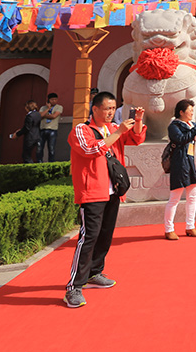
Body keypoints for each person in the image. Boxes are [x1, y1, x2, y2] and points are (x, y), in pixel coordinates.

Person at [65, 91, 146, 308]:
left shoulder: (112, 129)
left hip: (113, 191)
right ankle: (74, 286)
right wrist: (119, 131)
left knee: (105, 235)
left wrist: (137, 122)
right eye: (107, 108)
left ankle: (95, 273)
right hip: (92, 191)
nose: (111, 112)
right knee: (88, 237)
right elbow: (91, 150)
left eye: (113, 108)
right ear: (95, 109)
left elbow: (136, 139)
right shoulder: (81, 130)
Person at [164, 99, 196, 241]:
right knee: (175, 197)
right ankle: (169, 228)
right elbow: (182, 139)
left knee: (192, 196)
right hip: (181, 163)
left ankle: (190, 226)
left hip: (194, 162)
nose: (191, 113)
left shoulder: (193, 124)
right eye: (189, 110)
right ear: (181, 112)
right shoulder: (174, 126)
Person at [39, 93, 62, 162]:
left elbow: (54, 116)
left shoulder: (59, 107)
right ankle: (39, 162)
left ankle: (51, 163)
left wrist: (44, 115)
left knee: (51, 148)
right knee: (39, 148)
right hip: (42, 129)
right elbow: (40, 115)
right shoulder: (43, 108)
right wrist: (48, 109)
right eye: (52, 99)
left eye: (55, 99)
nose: (54, 101)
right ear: (48, 100)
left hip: (52, 130)